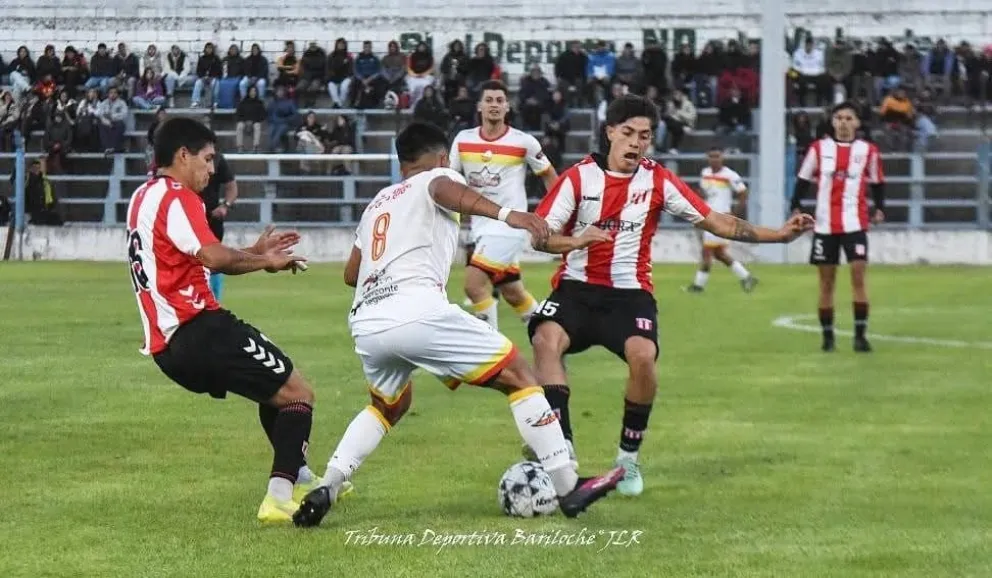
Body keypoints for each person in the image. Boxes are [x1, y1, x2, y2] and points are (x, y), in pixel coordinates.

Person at [292, 122, 625, 528]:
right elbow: (444, 190)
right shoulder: (439, 175)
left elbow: (351, 274)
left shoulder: (379, 201)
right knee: (521, 375)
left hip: (367, 322)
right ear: (441, 157)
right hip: (417, 310)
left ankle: (328, 483)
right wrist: (508, 214)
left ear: (401, 164)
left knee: (388, 405)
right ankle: (567, 483)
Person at [522, 94, 814, 497]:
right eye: (628, 133)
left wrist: (778, 235)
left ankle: (627, 458)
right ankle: (561, 448)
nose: (636, 143)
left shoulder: (657, 179)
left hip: (630, 294)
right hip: (576, 289)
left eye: (644, 136)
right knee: (545, 339)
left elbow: (717, 222)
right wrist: (576, 240)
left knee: (644, 358)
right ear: (610, 132)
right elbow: (540, 238)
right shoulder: (577, 178)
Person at [125, 117, 343, 525]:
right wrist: (266, 260)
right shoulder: (178, 197)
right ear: (183, 155)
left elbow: (200, 260)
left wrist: (253, 251)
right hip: (200, 329)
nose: (211, 170)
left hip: (168, 349)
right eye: (207, 160)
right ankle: (280, 496)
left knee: (274, 390)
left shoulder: (143, 196)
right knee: (299, 394)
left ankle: (300, 475)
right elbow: (213, 257)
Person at [449, 80, 559, 330]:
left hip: (511, 228)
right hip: (481, 228)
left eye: (499, 101)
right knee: (513, 293)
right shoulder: (463, 140)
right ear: (479, 106)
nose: (494, 105)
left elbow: (550, 177)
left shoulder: (523, 142)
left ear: (507, 106)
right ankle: (551, 334)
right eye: (489, 100)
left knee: (473, 285)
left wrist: (557, 215)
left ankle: (490, 350)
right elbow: (451, 180)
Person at [790, 101, 886, 353]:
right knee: (826, 283)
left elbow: (877, 182)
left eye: (848, 118)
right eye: (839, 118)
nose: (843, 122)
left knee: (858, 276)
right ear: (833, 122)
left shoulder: (868, 151)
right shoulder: (818, 148)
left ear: (857, 123)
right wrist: (795, 205)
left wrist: (879, 207)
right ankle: (828, 337)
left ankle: (860, 336)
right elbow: (802, 178)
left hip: (855, 223)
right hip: (824, 225)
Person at [685, 147, 757, 293]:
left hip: (721, 218)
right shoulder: (705, 173)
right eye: (711, 156)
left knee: (707, 252)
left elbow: (743, 193)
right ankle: (747, 277)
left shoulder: (730, 175)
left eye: (717, 156)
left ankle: (698, 286)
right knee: (719, 253)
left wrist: (734, 215)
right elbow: (705, 194)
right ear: (708, 158)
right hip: (708, 216)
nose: (714, 159)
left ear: (722, 157)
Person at [197, 152, 239, 300]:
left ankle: (214, 301)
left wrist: (225, 206)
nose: (211, 170)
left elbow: (232, 186)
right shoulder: (183, 159)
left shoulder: (219, 159)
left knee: (214, 259)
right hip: (190, 217)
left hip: (212, 219)